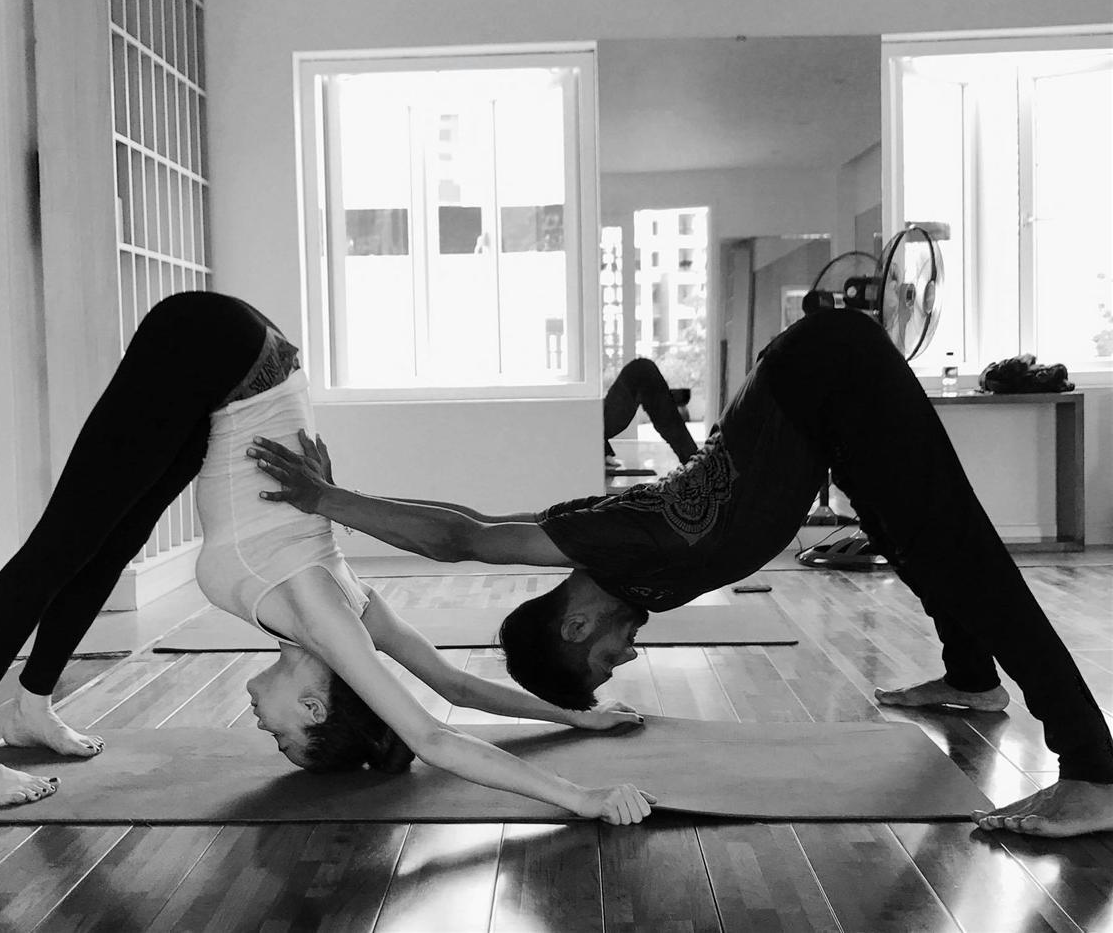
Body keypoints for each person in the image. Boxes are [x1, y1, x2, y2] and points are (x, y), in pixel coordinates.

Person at [251, 308, 1113, 838]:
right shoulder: (623, 566)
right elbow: (471, 534)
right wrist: (573, 720)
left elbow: (463, 535)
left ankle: (1094, 771)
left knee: (965, 558)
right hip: (822, 401)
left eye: (603, 660)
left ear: (574, 624)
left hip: (827, 373)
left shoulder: (612, 547)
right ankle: (972, 679)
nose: (626, 657)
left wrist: (328, 497)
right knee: (917, 543)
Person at [0, 292, 655, 826]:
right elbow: (433, 734)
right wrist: (580, 798)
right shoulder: (324, 612)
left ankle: (32, 707)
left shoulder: (357, 610)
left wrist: (575, 718)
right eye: (282, 735)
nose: (263, 726)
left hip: (236, 365)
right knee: (58, 550)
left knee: (104, 550)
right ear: (314, 707)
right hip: (213, 348)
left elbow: (455, 684)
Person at [603, 357, 698, 471]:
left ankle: (695, 462)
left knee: (641, 369)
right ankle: (696, 464)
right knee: (642, 370)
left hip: (593, 422)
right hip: (593, 425)